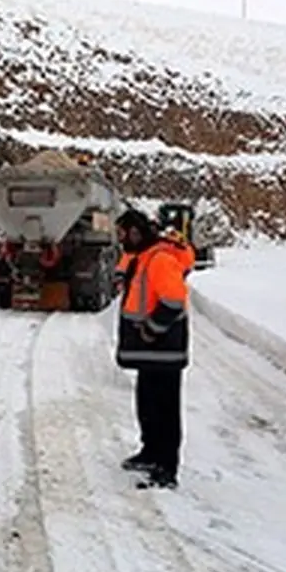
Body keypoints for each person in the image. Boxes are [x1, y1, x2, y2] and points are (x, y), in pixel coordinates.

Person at [114, 209, 190, 490]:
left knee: (166, 410)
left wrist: (150, 331)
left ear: (135, 232)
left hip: (164, 350)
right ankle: (150, 453)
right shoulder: (143, 256)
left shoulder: (160, 260)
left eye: (122, 234)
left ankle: (166, 467)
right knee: (147, 404)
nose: (120, 240)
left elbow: (173, 302)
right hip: (150, 353)